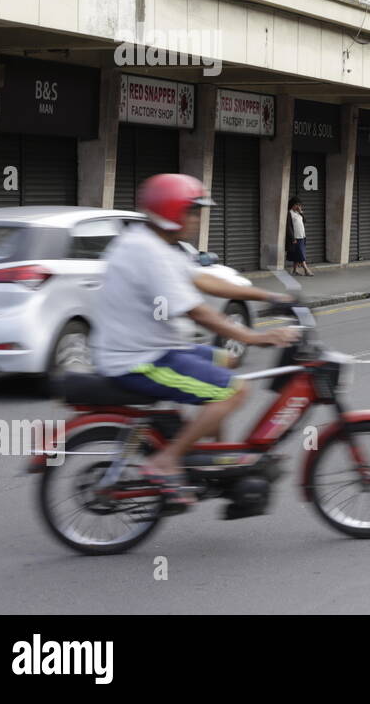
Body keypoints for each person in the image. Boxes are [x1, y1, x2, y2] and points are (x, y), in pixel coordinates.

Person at [93, 174, 299, 505]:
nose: (197, 218)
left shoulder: (157, 243)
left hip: (157, 347)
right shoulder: (149, 253)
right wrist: (256, 337)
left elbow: (202, 280)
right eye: (192, 211)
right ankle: (167, 460)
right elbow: (199, 313)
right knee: (235, 390)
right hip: (142, 360)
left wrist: (268, 295)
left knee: (227, 362)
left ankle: (217, 459)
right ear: (172, 212)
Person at [286, 196, 314, 277]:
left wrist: (301, 212)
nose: (298, 206)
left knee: (297, 254)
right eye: (296, 205)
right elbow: (288, 227)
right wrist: (292, 238)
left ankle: (294, 270)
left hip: (302, 236)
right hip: (296, 238)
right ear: (292, 205)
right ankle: (306, 270)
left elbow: (305, 221)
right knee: (301, 254)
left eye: (299, 205)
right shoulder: (289, 213)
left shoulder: (299, 213)